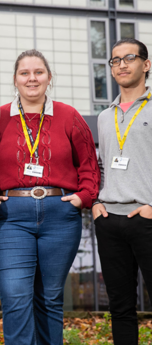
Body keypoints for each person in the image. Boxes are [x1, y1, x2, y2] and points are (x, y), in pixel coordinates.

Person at [0, 49, 100, 344]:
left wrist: (84, 197)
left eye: (38, 72)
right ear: (15, 79)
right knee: (15, 296)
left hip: (60, 215)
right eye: (24, 73)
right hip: (11, 216)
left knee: (50, 298)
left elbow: (89, 163)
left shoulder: (69, 115)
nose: (32, 78)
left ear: (49, 77)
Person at [93, 38, 152, 345]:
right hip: (110, 220)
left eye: (129, 58)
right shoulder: (105, 116)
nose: (122, 65)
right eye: (115, 60)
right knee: (120, 308)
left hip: (146, 217)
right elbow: (101, 166)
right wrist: (96, 203)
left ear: (146, 64)